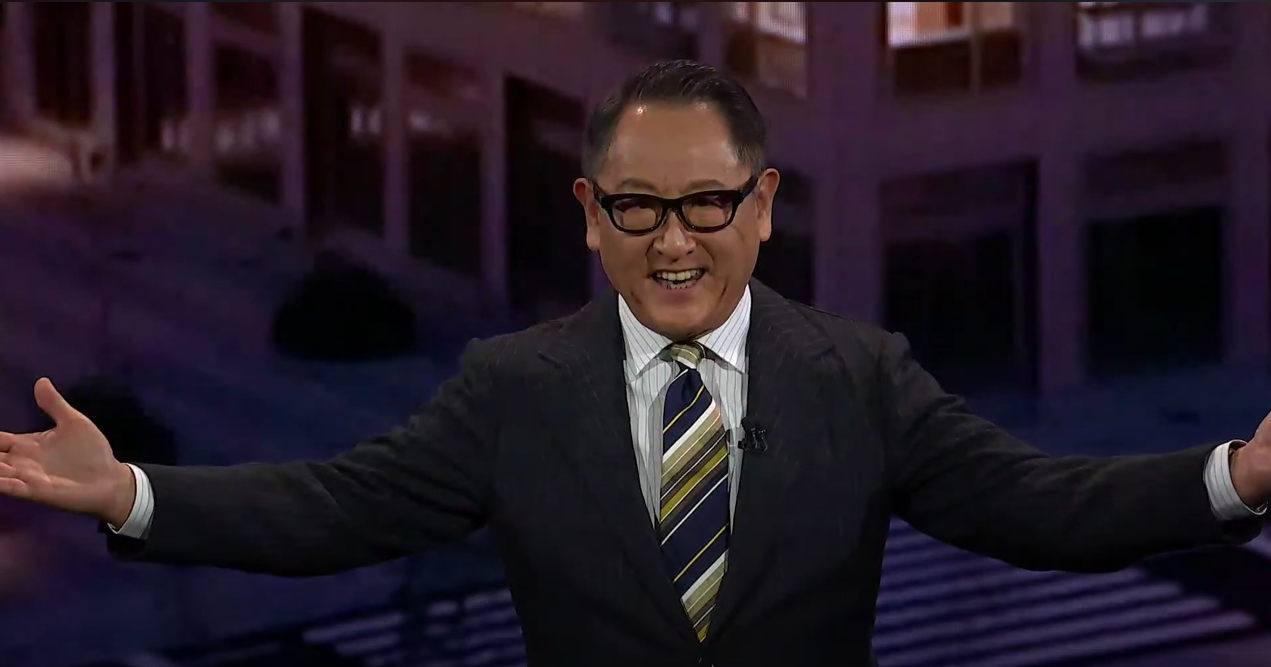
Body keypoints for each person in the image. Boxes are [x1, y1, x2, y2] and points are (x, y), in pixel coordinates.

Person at [0, 60, 1268, 667]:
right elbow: (333, 507)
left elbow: (1039, 505)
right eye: (637, 207)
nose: (672, 242)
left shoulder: (858, 377)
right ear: (589, 215)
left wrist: (1233, 477)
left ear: (762, 206)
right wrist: (130, 494)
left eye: (706, 204)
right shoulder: (514, 389)